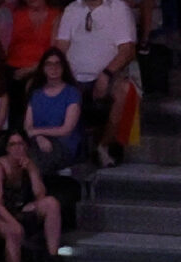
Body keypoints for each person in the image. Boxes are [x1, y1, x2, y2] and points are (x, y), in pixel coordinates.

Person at [54, 0, 137, 164]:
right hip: (73, 77)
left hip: (108, 75)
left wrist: (106, 74)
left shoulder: (118, 8)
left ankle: (104, 146)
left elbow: (127, 50)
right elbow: (61, 47)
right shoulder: (72, 9)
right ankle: (60, 153)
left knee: (126, 90)